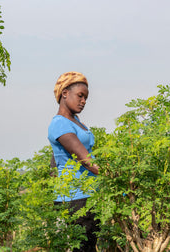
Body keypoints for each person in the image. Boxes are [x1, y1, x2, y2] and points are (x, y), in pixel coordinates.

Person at [47, 71, 100, 252]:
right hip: (74, 198)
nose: (83, 101)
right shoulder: (60, 124)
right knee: (81, 247)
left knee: (89, 246)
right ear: (64, 94)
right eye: (80, 96)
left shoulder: (76, 121)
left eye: (85, 97)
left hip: (88, 195)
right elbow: (84, 159)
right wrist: (114, 177)